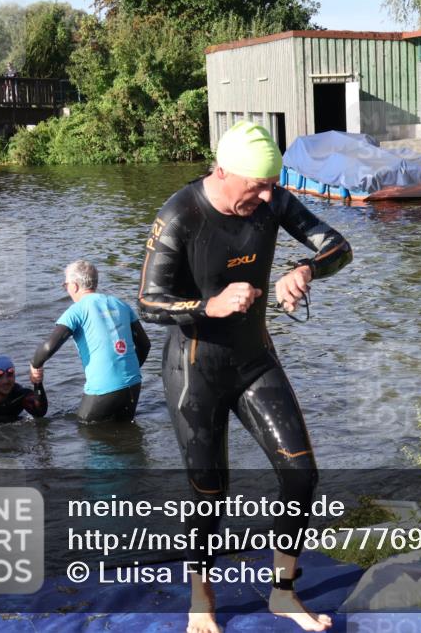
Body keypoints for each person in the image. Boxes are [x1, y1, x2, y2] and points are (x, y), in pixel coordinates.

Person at [138, 121, 352, 633]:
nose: (264, 195)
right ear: (223, 171)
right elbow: (147, 302)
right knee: (210, 490)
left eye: (270, 184)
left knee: (301, 476)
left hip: (254, 360)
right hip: (194, 369)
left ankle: (282, 593)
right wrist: (207, 305)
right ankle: (200, 596)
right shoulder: (179, 215)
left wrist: (304, 269)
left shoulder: (273, 202)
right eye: (255, 185)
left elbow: (337, 245)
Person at [31, 261, 149, 423]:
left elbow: (49, 347)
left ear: (74, 285)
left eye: (65, 285)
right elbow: (145, 344)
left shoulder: (77, 310)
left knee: (85, 430)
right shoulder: (121, 304)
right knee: (125, 434)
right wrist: (126, 372)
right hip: (133, 385)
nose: (66, 289)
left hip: (103, 389)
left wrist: (35, 364)